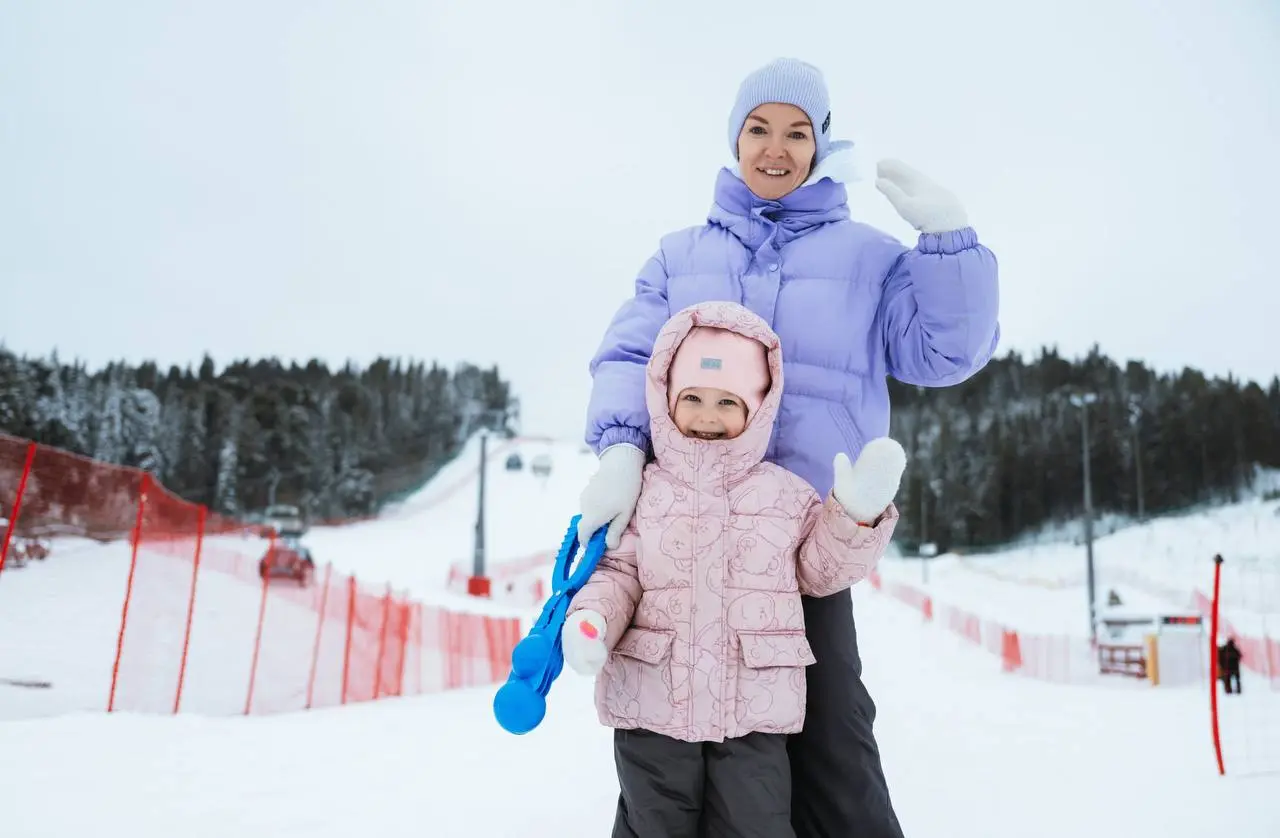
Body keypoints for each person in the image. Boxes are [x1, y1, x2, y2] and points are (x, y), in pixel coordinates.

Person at [576, 57, 1000, 836]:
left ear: (821, 144)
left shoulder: (869, 259)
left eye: (797, 133)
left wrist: (949, 243)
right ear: (734, 140)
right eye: (759, 130)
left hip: (804, 546)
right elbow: (631, 357)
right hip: (687, 543)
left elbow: (947, 353)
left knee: (833, 744)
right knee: (666, 759)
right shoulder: (680, 254)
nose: (776, 149)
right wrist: (620, 449)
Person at [564, 301, 906, 837]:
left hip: (754, 714)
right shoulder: (646, 491)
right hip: (653, 706)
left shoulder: (783, 494)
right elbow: (616, 573)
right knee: (653, 825)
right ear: (666, 400)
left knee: (755, 825)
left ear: (758, 408)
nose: (707, 415)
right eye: (692, 398)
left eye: (727, 402)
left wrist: (853, 516)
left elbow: (819, 573)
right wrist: (592, 622)